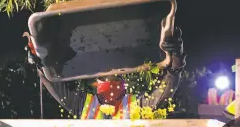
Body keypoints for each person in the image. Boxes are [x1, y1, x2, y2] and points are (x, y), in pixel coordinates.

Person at [27, 27, 187, 119]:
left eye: (116, 76)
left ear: (124, 79)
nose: (110, 79)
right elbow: (54, 84)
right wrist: (40, 63)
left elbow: (165, 89)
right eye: (104, 77)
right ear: (96, 81)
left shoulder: (136, 106)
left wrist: (176, 58)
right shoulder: (83, 105)